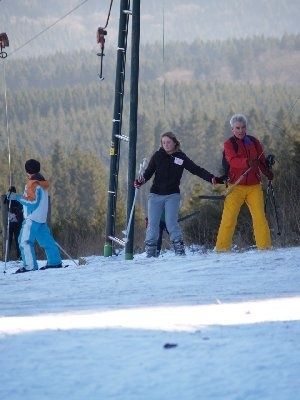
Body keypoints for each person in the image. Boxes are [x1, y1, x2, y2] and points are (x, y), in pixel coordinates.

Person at [134, 131, 222, 257]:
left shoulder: (180, 157)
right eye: (163, 142)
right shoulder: (158, 156)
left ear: (175, 143)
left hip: (172, 195)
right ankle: (150, 252)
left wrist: (211, 178)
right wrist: (140, 181)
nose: (166, 145)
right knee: (153, 224)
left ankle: (179, 250)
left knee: (171, 223)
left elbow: (196, 169)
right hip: (155, 195)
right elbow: (148, 173)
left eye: (168, 142)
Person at [215, 114, 273, 252]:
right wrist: (247, 162)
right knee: (229, 218)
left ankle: (265, 247)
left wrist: (268, 172)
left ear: (246, 127)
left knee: (260, 217)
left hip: (254, 186)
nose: (240, 130)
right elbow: (232, 161)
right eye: (237, 128)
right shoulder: (229, 144)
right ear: (232, 129)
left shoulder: (254, 141)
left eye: (243, 127)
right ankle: (221, 249)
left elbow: (261, 160)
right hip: (236, 186)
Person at [6, 159, 62, 273]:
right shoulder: (42, 183)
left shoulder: (32, 184)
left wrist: (16, 197)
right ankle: (54, 262)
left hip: (32, 218)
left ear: (27, 171)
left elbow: (32, 202)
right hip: (41, 218)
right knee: (47, 241)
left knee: (24, 241)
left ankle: (30, 266)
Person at [3, 186, 23, 260]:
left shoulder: (9, 198)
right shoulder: (16, 198)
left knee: (10, 240)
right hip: (16, 222)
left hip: (11, 222)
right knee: (17, 240)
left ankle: (8, 257)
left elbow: (4, 203)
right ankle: (19, 256)